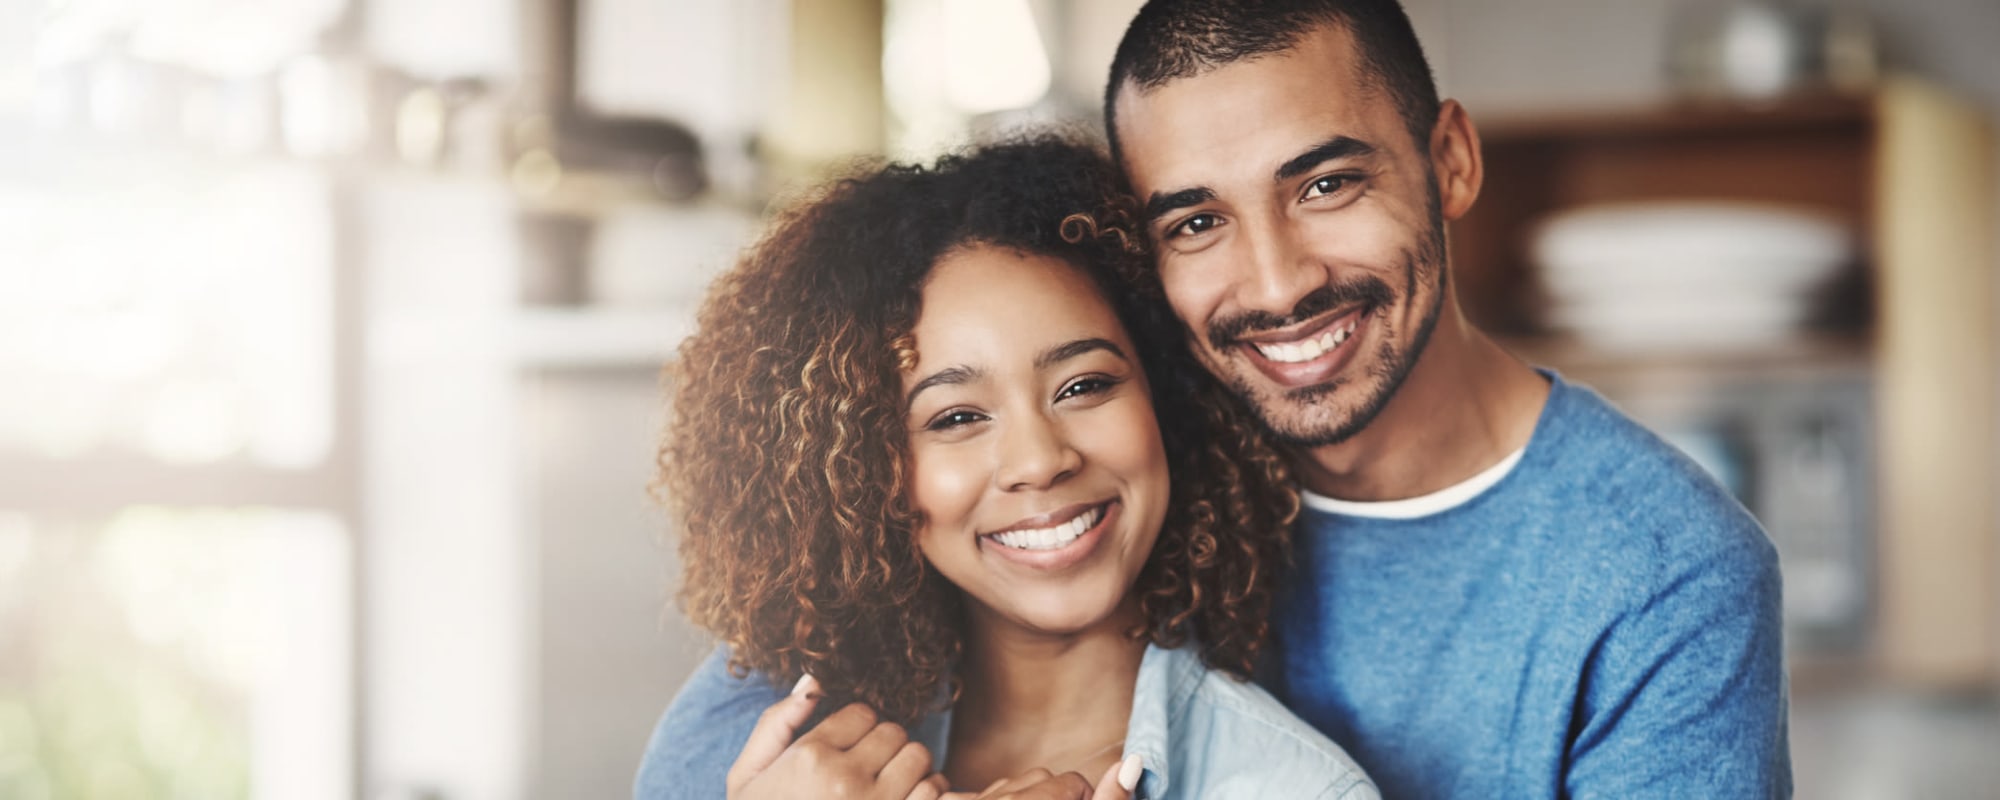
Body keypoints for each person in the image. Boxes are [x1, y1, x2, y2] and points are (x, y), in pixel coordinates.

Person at [641, 1, 1791, 797]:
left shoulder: (1657, 570)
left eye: (1327, 183)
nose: (1278, 282)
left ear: (1447, 161)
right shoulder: (1133, 439)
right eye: (1195, 221)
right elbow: (785, 663)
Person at [646, 136, 1378, 799]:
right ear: (861, 473)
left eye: (1084, 386)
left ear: (1168, 398)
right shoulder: (756, 753)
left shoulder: (1298, 788)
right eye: (956, 418)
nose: (1039, 461)